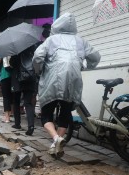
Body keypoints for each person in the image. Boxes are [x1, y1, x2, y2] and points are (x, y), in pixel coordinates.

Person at [34, 13, 100, 156]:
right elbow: (96, 56)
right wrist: (87, 66)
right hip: (73, 78)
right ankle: (57, 145)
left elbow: (38, 57)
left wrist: (39, 71)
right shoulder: (81, 41)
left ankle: (56, 138)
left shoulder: (51, 40)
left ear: (57, 25)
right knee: (65, 111)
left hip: (53, 77)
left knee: (46, 113)